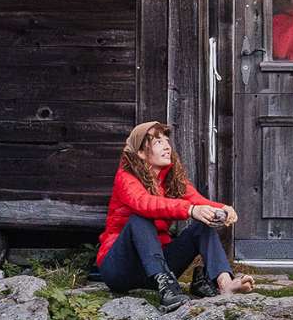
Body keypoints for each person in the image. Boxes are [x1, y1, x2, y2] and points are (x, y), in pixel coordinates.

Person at [97, 121, 250, 307]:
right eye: (158, 142)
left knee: (201, 227)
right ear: (141, 152)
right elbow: (144, 203)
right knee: (140, 218)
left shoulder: (171, 178)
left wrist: (223, 208)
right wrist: (190, 210)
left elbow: (195, 199)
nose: (167, 146)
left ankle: (224, 283)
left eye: (166, 140)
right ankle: (167, 289)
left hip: (155, 267)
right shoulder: (126, 177)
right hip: (120, 269)